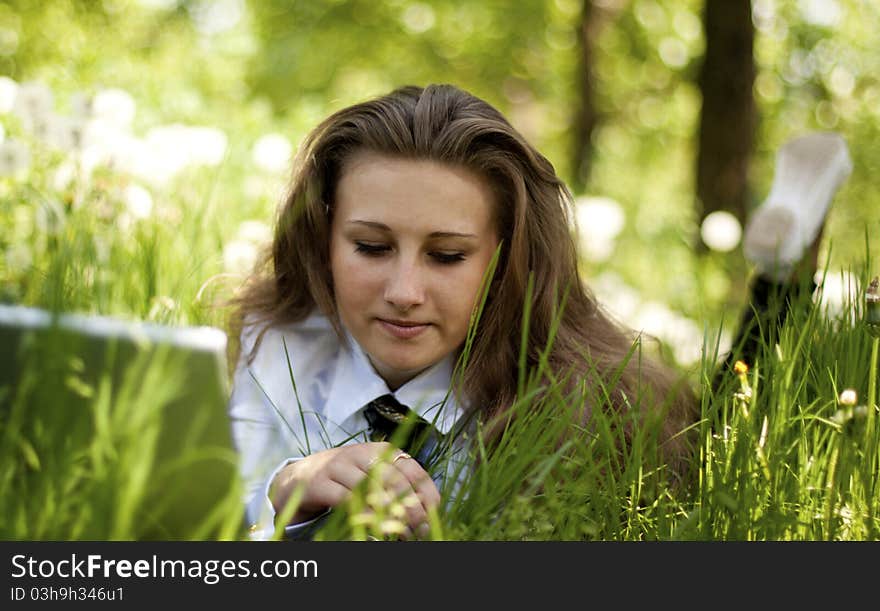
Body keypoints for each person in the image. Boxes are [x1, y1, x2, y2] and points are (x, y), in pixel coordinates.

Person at [226, 83, 849, 540]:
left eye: (446, 256)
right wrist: (284, 490)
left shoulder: (587, 408)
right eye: (371, 247)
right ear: (323, 237)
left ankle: (783, 280)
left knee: (728, 426)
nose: (404, 290)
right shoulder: (270, 350)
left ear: (508, 258)